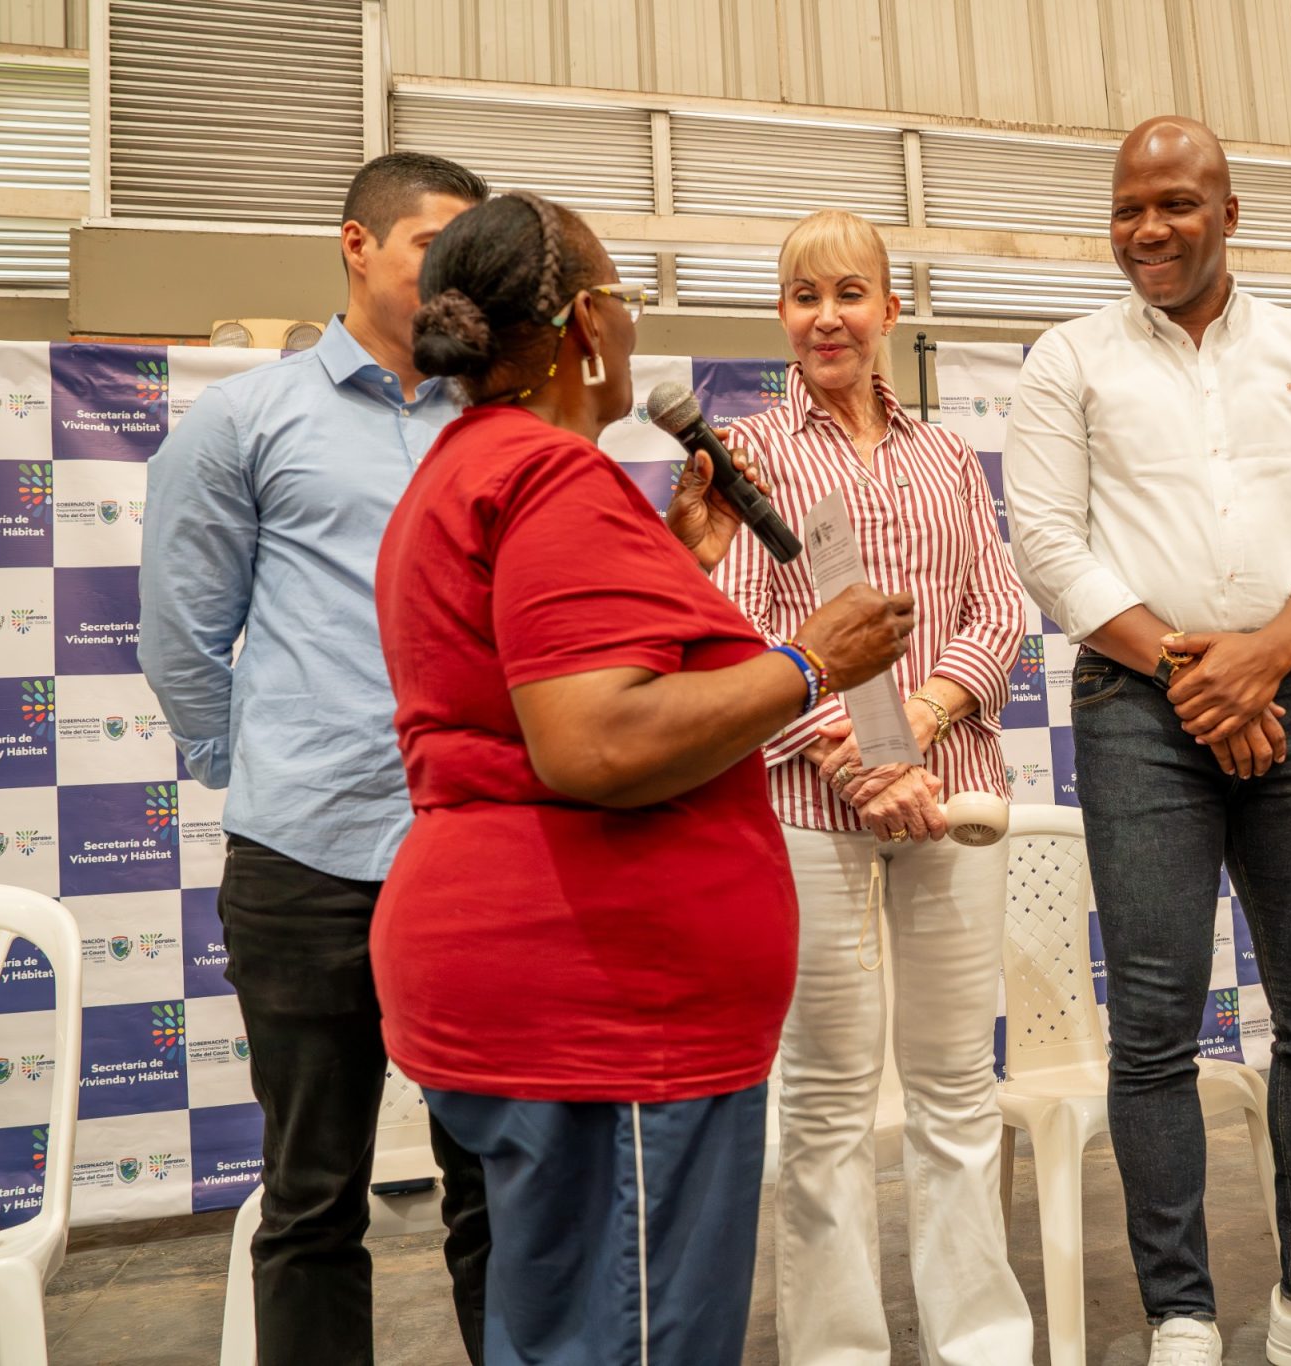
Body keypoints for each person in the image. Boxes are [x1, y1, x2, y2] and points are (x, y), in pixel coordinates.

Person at [371, 190, 915, 1366]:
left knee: (568, 1329)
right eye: (618, 299)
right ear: (581, 325)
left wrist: (674, 564)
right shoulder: (549, 477)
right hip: (606, 1017)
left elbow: (527, 690)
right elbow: (593, 742)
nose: (626, 325)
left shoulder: (480, 465)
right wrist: (812, 658)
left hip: (554, 1002)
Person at [1005, 116, 1291, 1366]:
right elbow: (1048, 542)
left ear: (1229, 211)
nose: (1148, 228)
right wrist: (1201, 671)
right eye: (1130, 205)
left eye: (1177, 203)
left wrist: (1263, 659)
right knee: (1149, 1022)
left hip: (1289, 690)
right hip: (1139, 703)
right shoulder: (1065, 359)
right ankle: (1182, 1314)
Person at [138, 152, 493, 1366]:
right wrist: (269, 766)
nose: (451, 271)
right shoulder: (247, 417)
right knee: (310, 1197)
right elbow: (183, 630)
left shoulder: (495, 425)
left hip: (471, 854)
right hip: (306, 859)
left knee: (497, 1188)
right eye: (428, 246)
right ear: (357, 244)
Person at [713, 207, 1033, 1365]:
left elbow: (1000, 610)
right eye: (803, 296)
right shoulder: (746, 455)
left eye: (849, 293)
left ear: (890, 310)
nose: (826, 317)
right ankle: (838, 1351)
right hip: (809, 808)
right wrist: (855, 760)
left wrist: (929, 722)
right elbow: (740, 634)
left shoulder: (946, 454)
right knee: (827, 1109)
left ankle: (980, 1340)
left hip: (952, 801)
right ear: (782, 317)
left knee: (956, 1090)